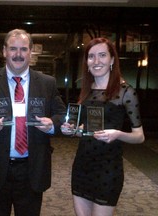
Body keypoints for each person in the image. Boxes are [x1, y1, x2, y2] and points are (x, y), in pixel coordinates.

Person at [0, 29, 66, 216]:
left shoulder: (47, 83)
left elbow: (62, 115)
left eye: (23, 49)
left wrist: (52, 124)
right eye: (13, 49)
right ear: (4, 51)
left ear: (31, 52)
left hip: (32, 169)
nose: (18, 54)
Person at [61, 37, 145, 216]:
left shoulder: (126, 92)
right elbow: (84, 130)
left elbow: (139, 136)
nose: (96, 61)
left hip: (108, 168)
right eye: (91, 57)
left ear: (112, 59)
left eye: (102, 55)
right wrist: (72, 130)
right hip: (82, 165)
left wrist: (117, 134)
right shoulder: (86, 90)